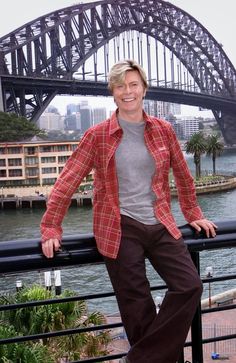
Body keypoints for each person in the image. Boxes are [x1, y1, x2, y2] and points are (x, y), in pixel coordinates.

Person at [40, 59, 217, 363]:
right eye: (120, 85)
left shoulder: (163, 130)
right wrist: (51, 228)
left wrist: (193, 213)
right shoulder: (97, 135)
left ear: (144, 89)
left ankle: (136, 360)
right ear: (113, 92)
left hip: (159, 221)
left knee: (190, 286)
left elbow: (184, 176)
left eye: (133, 84)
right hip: (119, 226)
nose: (127, 91)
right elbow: (67, 181)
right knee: (137, 304)